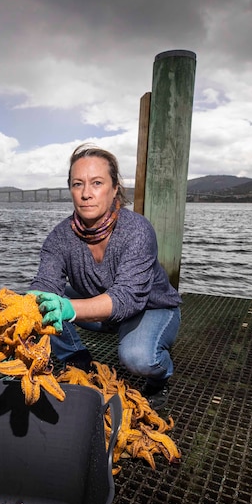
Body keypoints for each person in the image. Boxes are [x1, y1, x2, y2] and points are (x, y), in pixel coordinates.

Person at [29, 143, 182, 399]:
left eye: (97, 183)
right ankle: (76, 357)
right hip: (103, 312)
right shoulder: (59, 237)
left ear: (114, 190)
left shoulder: (137, 230)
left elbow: (127, 298)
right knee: (40, 302)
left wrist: (70, 309)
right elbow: (46, 283)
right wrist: (16, 322)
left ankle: (161, 376)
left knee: (138, 358)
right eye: (78, 184)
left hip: (150, 307)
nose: (86, 193)